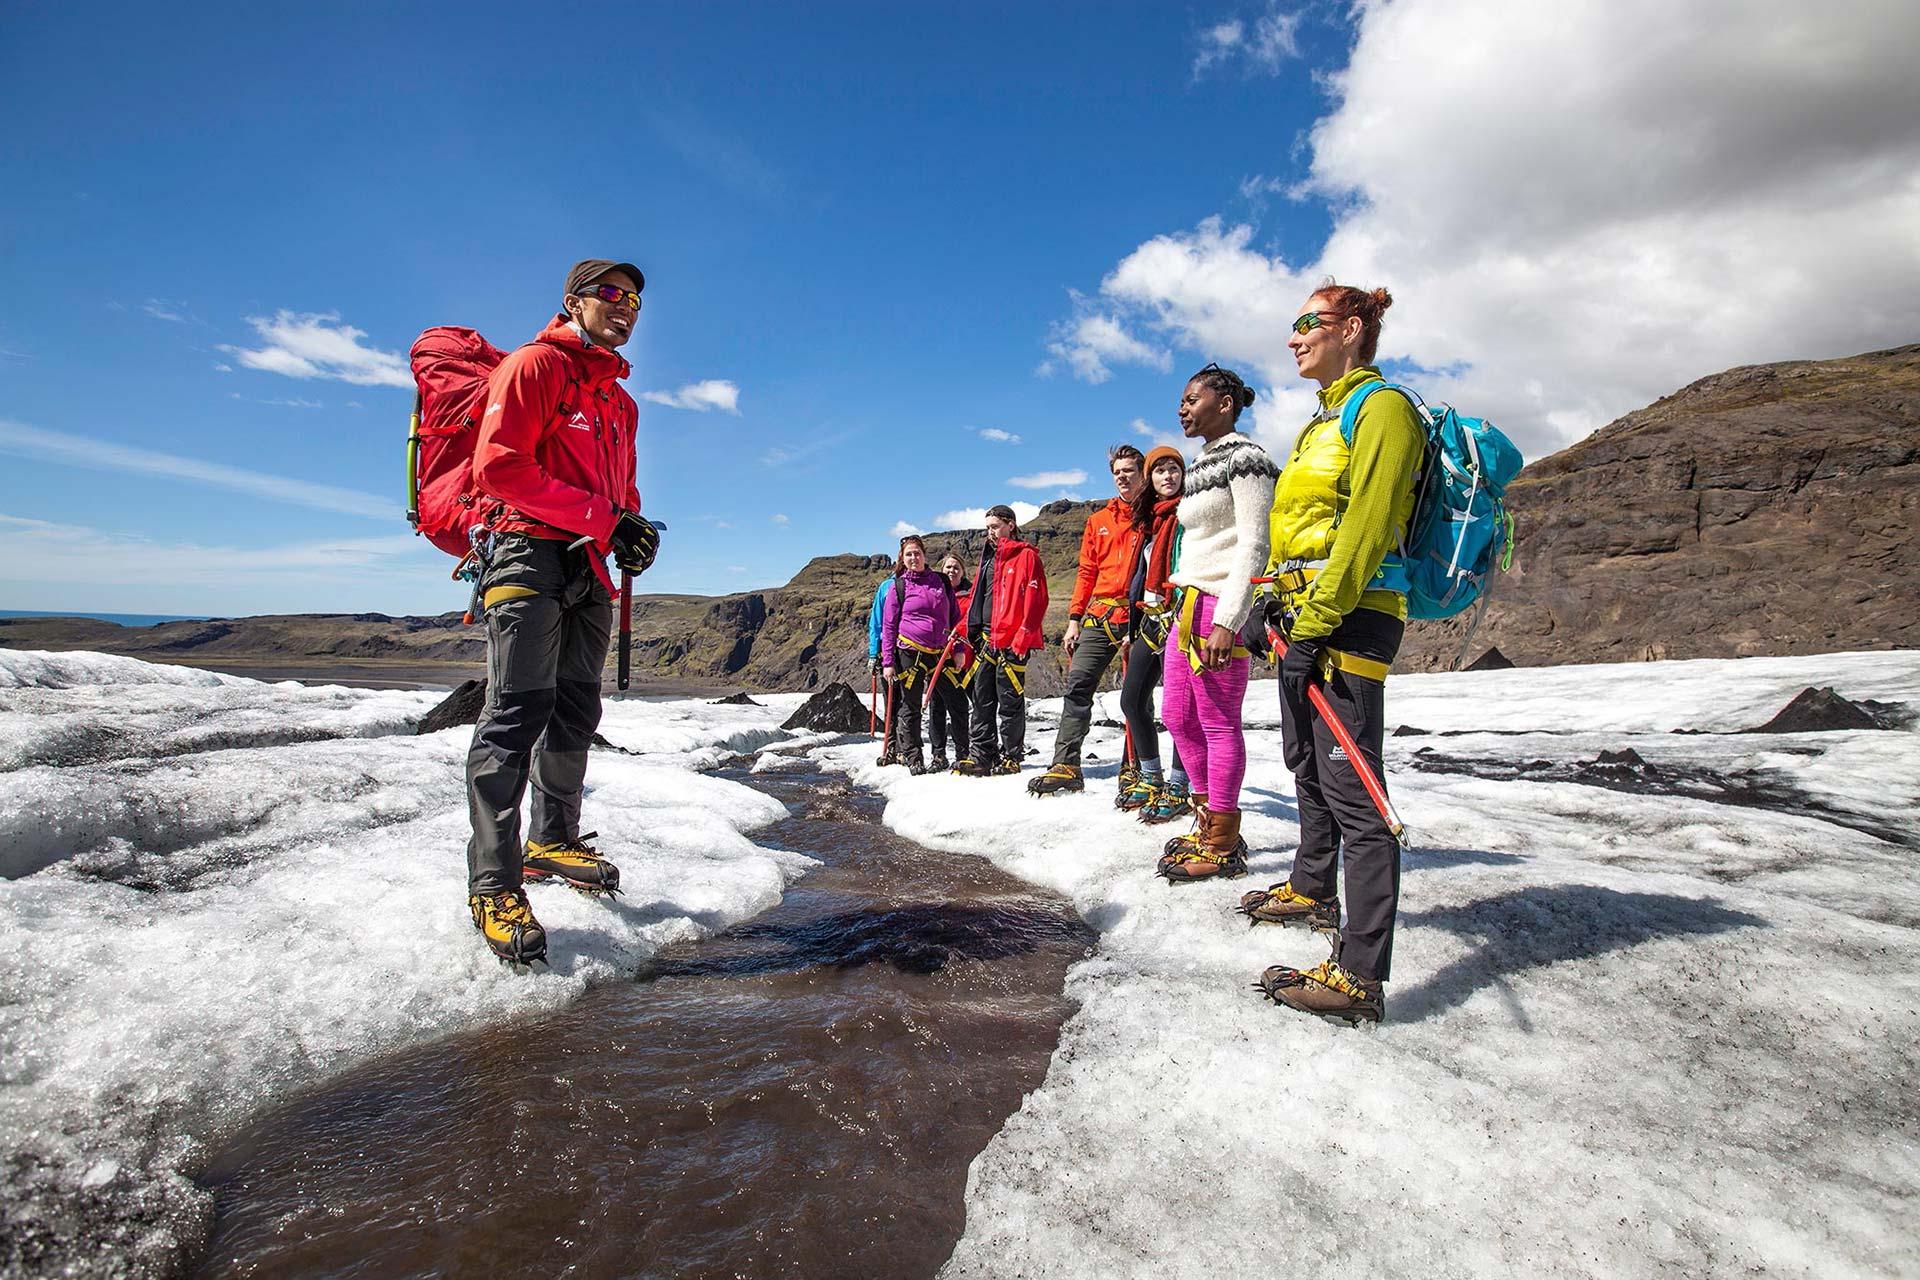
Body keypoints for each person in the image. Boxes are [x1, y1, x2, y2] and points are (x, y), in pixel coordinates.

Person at [464, 258, 660, 965]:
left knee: (576, 709)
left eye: (634, 298)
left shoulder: (621, 403)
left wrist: (630, 534)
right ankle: (493, 883)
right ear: (574, 302)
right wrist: (605, 517)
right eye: (611, 294)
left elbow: (623, 491)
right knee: (515, 713)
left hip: (588, 566)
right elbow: (499, 467)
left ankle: (553, 838)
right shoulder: (533, 368)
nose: (626, 306)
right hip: (525, 553)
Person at [1247, 282, 1424, 1026]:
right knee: (1307, 764)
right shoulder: (1322, 421)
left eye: (1307, 324)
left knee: (1356, 793)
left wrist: (1317, 621)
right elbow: (1308, 527)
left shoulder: (1381, 409)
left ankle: (1360, 975)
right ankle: (1314, 887)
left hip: (1350, 620)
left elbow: (1369, 526)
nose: (1293, 338)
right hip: (1307, 616)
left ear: (1351, 329)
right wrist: (1272, 601)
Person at [1156, 363, 1277, 884]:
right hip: (1186, 607)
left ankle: (1223, 840)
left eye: (1191, 399)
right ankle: (1205, 818)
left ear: (1223, 402)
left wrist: (1231, 617)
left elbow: (1255, 540)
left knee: (1218, 721)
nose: (1181, 408)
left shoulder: (1247, 459)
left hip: (1219, 606)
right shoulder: (1205, 462)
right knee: (1178, 717)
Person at [1029, 447, 1148, 796]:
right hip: (1099, 615)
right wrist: (1074, 618)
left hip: (1139, 614)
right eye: (1117, 472)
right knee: (1078, 685)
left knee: (1137, 695)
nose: (1123, 477)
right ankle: (1066, 765)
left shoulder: (1155, 516)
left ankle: (1134, 767)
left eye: (1129, 470)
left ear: (1143, 474)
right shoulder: (1098, 521)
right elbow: (1086, 571)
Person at [1116, 445, 1192, 822]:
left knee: (1179, 710)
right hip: (1151, 621)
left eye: (1174, 469)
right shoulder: (1149, 522)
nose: (1167, 476)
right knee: (1132, 701)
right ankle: (1151, 776)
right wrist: (1132, 627)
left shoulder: (1192, 515)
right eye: (1159, 470)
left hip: (1182, 619)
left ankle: (1180, 785)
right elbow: (1137, 580)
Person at [952, 505, 1047, 777]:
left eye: (994, 526)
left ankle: (1011, 757)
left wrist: (1024, 634)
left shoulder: (1026, 556)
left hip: (1012, 641)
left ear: (1010, 525)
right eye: (987, 528)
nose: (990, 532)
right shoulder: (990, 558)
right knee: (981, 700)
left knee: (1010, 702)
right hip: (984, 639)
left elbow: (1037, 599)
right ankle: (982, 755)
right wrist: (962, 627)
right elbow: (978, 600)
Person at [879, 535, 961, 774]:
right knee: (911, 705)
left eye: (917, 553)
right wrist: (888, 662)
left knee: (954, 703)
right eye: (909, 555)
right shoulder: (899, 586)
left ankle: (960, 755)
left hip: (940, 652)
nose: (914, 558)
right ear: (902, 559)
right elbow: (889, 626)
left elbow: (955, 618)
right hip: (909, 652)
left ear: (925, 555)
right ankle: (914, 757)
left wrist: (957, 649)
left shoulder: (941, 582)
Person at [927, 552, 973, 771]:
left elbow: (970, 622)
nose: (952, 571)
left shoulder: (972, 594)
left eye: (956, 567)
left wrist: (958, 643)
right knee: (937, 706)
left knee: (960, 706)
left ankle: (964, 752)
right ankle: (938, 755)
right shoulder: (935, 593)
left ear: (963, 571)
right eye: (948, 568)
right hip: (938, 657)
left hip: (965, 659)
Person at [867, 565, 901, 765]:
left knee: (905, 702)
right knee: (892, 700)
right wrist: (874, 653)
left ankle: (903, 748)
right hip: (888, 652)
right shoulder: (886, 587)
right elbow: (877, 621)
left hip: (908, 650)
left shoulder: (920, 585)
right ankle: (892, 747)